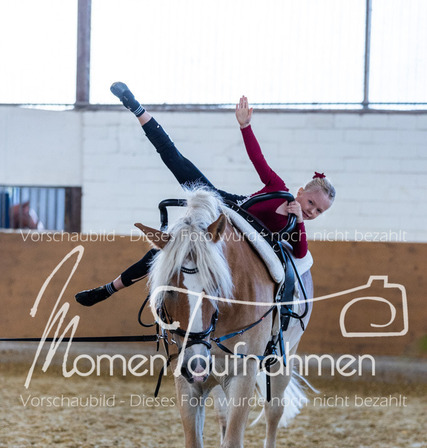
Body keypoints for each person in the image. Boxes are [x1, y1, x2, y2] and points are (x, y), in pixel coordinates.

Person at [76, 85, 335, 306]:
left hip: (230, 240)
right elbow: (258, 159)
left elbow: (301, 253)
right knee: (174, 160)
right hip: (222, 204)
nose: (312, 211)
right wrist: (245, 126)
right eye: (311, 203)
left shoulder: (293, 225)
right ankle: (135, 106)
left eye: (319, 211)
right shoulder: (278, 188)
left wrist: (300, 221)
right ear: (300, 192)